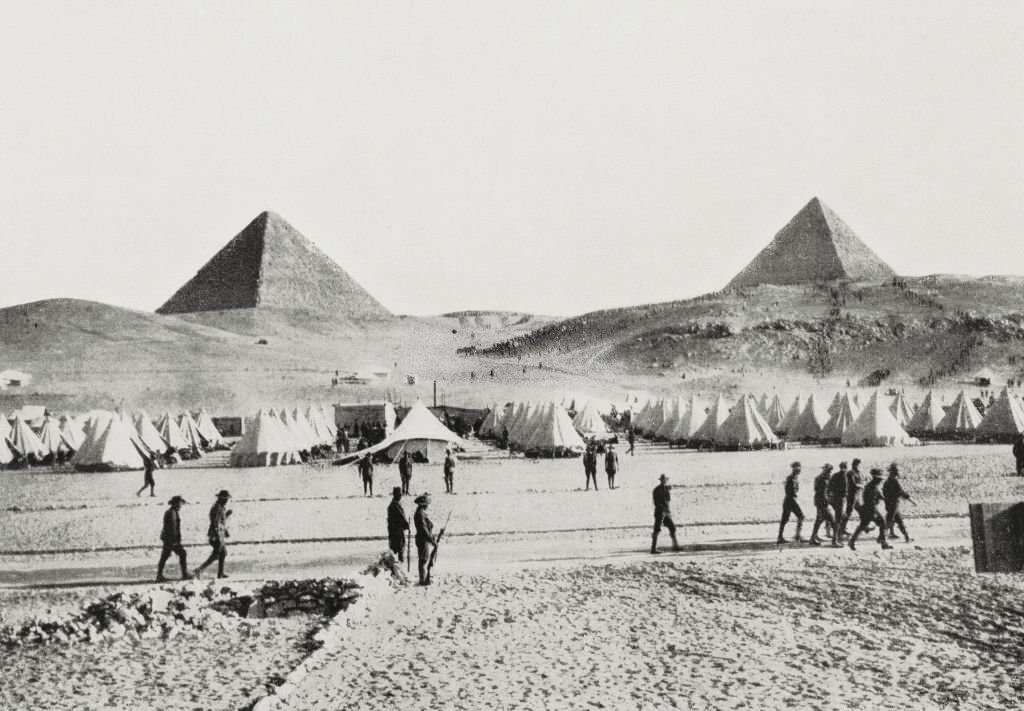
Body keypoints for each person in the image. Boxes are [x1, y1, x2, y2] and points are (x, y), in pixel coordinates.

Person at [848, 469, 891, 551]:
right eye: (880, 479)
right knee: (883, 523)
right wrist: (874, 513)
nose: (881, 481)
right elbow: (872, 500)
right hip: (871, 509)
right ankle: (883, 542)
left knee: (862, 526)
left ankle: (852, 541)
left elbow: (880, 496)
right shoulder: (872, 487)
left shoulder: (871, 486)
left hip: (867, 509)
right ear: (876, 479)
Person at [194, 490, 232, 579]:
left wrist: (226, 516)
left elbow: (221, 521)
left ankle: (220, 573)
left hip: (219, 534)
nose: (227, 501)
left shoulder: (220, 508)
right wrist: (217, 535)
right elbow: (215, 522)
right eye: (225, 499)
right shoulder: (217, 508)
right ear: (221, 499)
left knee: (222, 553)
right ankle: (199, 570)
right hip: (216, 535)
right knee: (216, 554)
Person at [156, 495, 190, 582]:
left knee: (165, 556)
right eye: (179, 504)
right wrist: (174, 541)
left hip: (168, 539)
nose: (180, 506)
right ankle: (184, 574)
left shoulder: (172, 512)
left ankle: (159, 576)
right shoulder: (172, 513)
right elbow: (172, 528)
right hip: (171, 539)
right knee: (182, 554)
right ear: (175, 504)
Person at [883, 463, 914, 543]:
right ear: (896, 472)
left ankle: (907, 537)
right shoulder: (894, 481)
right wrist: (911, 500)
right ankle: (883, 538)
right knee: (890, 521)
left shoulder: (887, 481)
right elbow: (901, 492)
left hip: (889, 504)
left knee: (898, 521)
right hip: (894, 504)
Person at [651, 474, 680, 554]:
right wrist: (662, 509)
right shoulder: (657, 490)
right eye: (663, 480)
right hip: (660, 512)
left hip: (666, 512)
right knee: (657, 529)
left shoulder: (665, 489)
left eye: (665, 480)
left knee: (672, 527)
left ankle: (675, 546)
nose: (664, 481)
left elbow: (668, 500)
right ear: (661, 480)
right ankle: (653, 549)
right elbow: (656, 502)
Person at [777, 462, 804, 544]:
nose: (800, 470)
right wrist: (794, 500)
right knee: (801, 516)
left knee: (785, 519)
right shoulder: (791, 478)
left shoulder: (794, 478)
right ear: (794, 469)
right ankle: (797, 535)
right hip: (791, 500)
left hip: (789, 500)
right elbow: (790, 491)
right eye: (798, 468)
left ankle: (780, 537)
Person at [808, 464, 835, 546]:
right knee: (832, 520)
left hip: (819, 501)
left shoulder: (820, 478)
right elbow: (822, 492)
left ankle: (813, 538)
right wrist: (828, 500)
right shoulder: (823, 479)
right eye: (829, 471)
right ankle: (836, 540)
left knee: (819, 520)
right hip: (822, 502)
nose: (830, 473)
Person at [413, 493, 436, 585]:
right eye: (426, 504)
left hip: (422, 538)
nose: (427, 506)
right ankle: (423, 579)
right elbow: (424, 529)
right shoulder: (420, 514)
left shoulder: (420, 513)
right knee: (423, 559)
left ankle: (424, 577)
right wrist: (432, 540)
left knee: (424, 559)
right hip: (423, 539)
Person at [828, 461, 849, 546]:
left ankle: (839, 535)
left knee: (843, 517)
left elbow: (830, 487)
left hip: (835, 499)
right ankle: (835, 540)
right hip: (840, 499)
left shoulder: (835, 475)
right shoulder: (845, 476)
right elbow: (846, 489)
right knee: (838, 519)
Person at [387, 487, 409, 562]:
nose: (400, 496)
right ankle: (399, 567)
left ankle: (395, 568)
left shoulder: (393, 504)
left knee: (394, 550)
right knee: (400, 550)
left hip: (393, 531)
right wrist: (406, 525)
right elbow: (401, 517)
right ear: (396, 495)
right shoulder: (395, 505)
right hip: (397, 531)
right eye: (399, 495)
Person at [844, 458, 864, 530]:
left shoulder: (858, 472)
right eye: (857, 464)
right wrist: (862, 486)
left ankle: (864, 525)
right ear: (854, 464)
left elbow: (862, 480)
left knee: (861, 510)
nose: (858, 466)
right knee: (849, 511)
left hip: (857, 494)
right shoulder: (850, 473)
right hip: (851, 495)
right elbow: (853, 484)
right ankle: (842, 528)